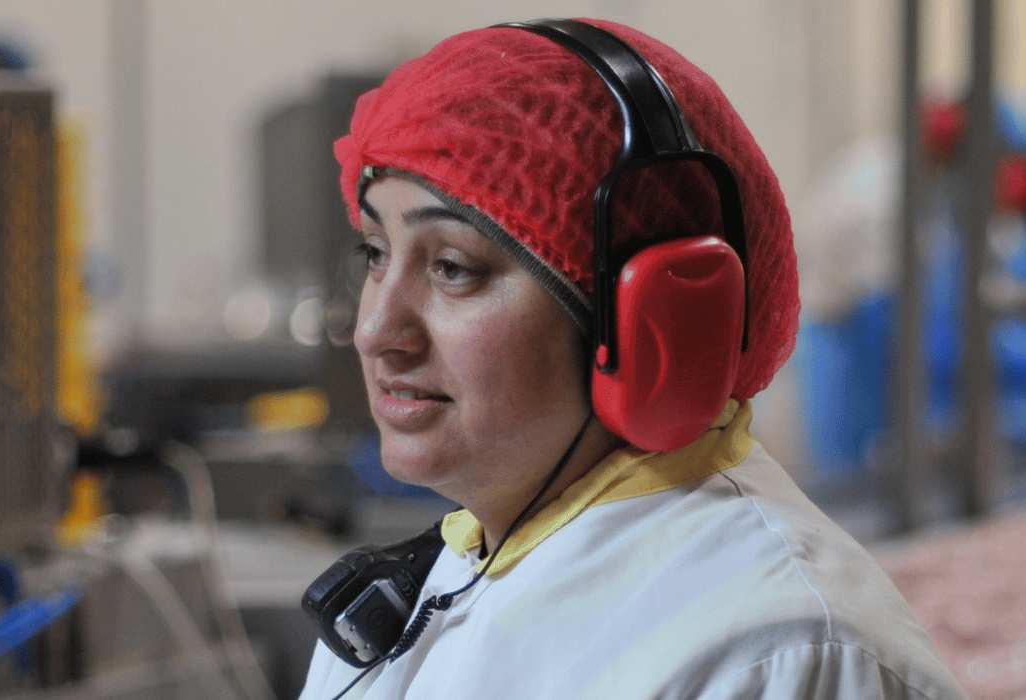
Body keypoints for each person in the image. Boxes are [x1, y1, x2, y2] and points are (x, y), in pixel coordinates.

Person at [298, 18, 965, 700]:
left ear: (649, 318)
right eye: (375, 253)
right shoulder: (446, 579)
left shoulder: (774, 656)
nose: (374, 330)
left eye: (452, 267)